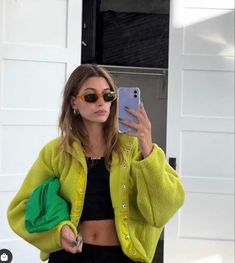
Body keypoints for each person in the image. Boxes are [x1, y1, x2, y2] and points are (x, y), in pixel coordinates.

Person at [7, 64, 185, 263]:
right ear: (74, 102)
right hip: (71, 256)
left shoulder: (133, 147)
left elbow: (165, 207)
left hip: (123, 256)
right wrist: (59, 231)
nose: (101, 102)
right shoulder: (56, 151)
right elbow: (22, 208)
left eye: (108, 96)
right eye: (91, 97)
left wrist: (147, 147)